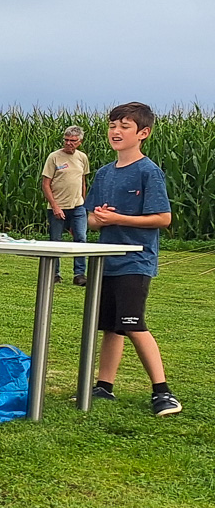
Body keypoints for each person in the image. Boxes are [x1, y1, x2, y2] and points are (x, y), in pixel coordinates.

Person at [85, 102, 180, 416]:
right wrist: (100, 219)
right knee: (111, 327)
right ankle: (104, 386)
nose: (116, 132)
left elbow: (163, 218)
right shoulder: (103, 173)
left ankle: (163, 392)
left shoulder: (148, 172)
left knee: (133, 324)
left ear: (143, 133)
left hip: (135, 262)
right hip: (106, 262)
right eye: (113, 126)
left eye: (124, 127)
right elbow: (91, 220)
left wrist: (120, 219)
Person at [41, 126, 90, 285]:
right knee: (56, 240)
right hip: (58, 206)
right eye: (66, 140)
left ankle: (79, 274)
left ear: (80, 142)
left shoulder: (82, 158)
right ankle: (54, 274)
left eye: (73, 141)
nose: (69, 143)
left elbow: (82, 181)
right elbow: (46, 184)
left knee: (81, 239)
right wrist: (55, 206)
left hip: (78, 206)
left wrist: (83, 202)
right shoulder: (54, 157)